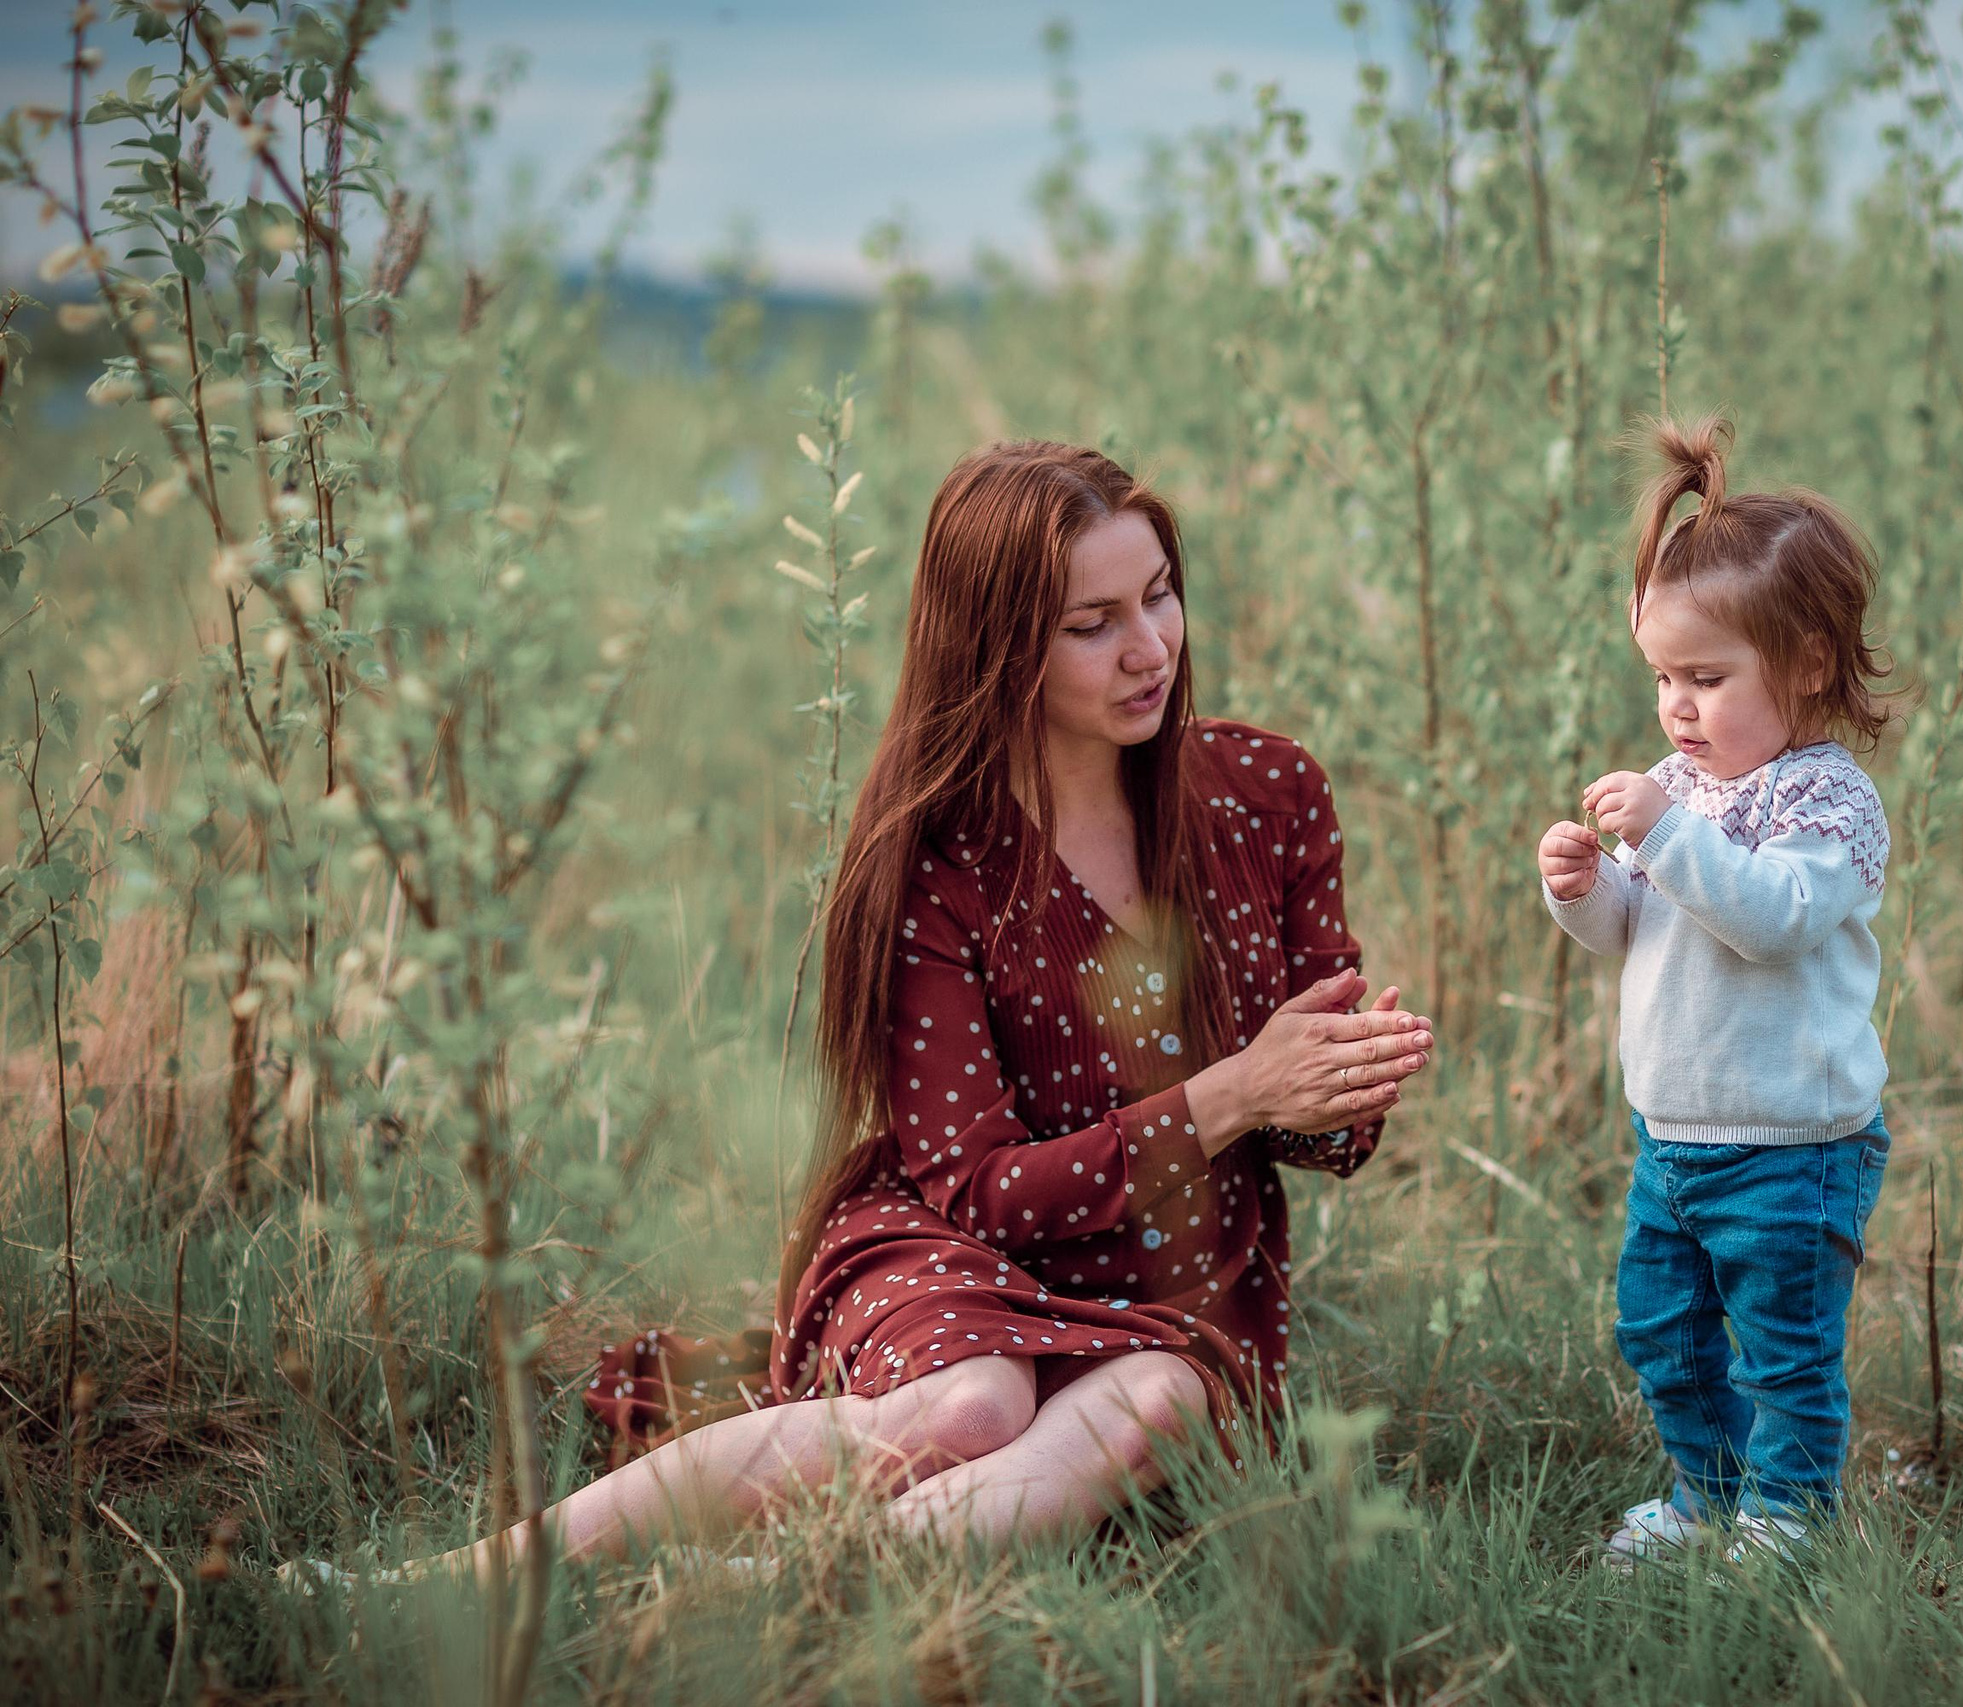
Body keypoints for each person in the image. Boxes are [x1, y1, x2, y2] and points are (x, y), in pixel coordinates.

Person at [421, 440, 1436, 1583]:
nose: (1148, 648)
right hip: (958, 1245)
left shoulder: (1268, 797)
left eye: (1158, 597)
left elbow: (1325, 1140)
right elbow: (983, 1191)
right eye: (1090, 624)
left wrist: (1345, 1080)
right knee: (970, 1411)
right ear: (997, 645)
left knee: (1154, 1402)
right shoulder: (937, 862)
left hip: (1184, 1281)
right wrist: (1238, 1091)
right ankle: (477, 1582)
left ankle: (769, 1593)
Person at [1536, 414, 1895, 1569]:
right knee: (1665, 1330)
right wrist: (1582, 890)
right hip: (1673, 1134)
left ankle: (1790, 1513)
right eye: (1661, 678)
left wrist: (1672, 831)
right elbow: (1635, 931)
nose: (1676, 708)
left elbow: (1771, 922)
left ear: (1804, 667)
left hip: (1793, 1140)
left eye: (1705, 677)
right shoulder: (1671, 786)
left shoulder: (1826, 805)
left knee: (1781, 1344)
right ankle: (1707, 1494)